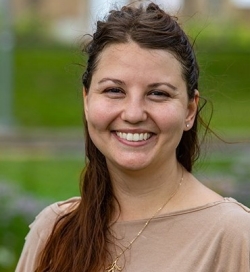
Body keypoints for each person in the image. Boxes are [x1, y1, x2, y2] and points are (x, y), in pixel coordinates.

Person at [16, 2, 250, 272]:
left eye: (158, 93)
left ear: (189, 110)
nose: (134, 113)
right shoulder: (54, 229)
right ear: (87, 100)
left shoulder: (235, 237)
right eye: (115, 90)